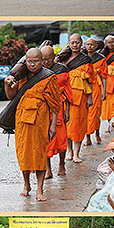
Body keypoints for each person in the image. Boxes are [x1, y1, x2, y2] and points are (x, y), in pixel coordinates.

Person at [1, 48, 60, 201]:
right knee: (24, 154)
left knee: (40, 154)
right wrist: (6, 84)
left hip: (40, 121)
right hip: (22, 121)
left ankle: (40, 189)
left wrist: (53, 125)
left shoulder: (49, 77)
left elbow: (55, 104)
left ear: (42, 61)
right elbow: (11, 96)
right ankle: (26, 185)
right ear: (25, 61)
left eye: (36, 61)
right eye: (29, 61)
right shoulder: (21, 76)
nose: (32, 64)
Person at [41, 45, 72, 179]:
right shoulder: (37, 72)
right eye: (43, 59)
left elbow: (67, 91)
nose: (46, 62)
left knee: (61, 138)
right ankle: (48, 169)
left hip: (59, 108)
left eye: (49, 59)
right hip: (42, 110)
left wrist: (67, 110)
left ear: (54, 57)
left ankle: (61, 164)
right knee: (44, 140)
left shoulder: (61, 70)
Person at [63, 34, 94, 163]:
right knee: (67, 125)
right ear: (69, 44)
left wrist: (90, 97)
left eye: (77, 42)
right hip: (67, 96)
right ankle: (69, 151)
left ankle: (76, 153)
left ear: (81, 43)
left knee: (78, 124)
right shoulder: (64, 59)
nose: (75, 45)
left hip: (81, 97)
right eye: (72, 42)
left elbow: (90, 79)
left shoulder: (86, 59)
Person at [84, 38, 107, 146]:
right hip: (85, 87)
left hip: (96, 87)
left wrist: (104, 91)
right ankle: (87, 137)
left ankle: (97, 134)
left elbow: (104, 76)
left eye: (92, 45)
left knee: (96, 112)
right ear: (85, 46)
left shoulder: (101, 58)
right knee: (86, 113)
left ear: (96, 46)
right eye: (88, 44)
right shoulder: (82, 59)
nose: (90, 47)